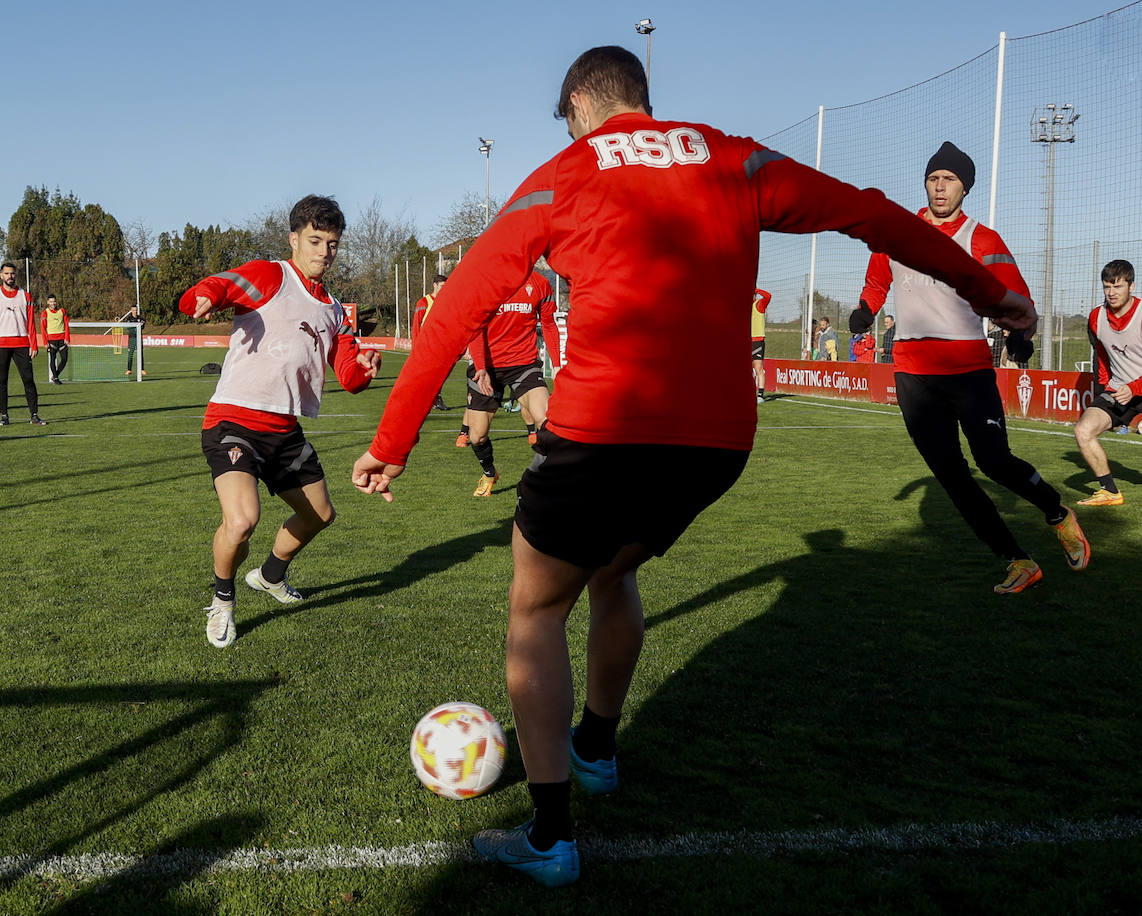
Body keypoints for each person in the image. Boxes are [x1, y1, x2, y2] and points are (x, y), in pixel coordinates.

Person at [351, 46, 1037, 887]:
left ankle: (549, 838)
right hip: (715, 442)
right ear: (647, 98)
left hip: (603, 426)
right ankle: (597, 750)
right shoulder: (733, 155)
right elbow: (871, 214)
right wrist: (992, 291)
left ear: (578, 105)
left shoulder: (564, 171)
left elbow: (459, 306)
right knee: (611, 570)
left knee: (535, 608)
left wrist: (391, 443)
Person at [852, 140, 1088, 594]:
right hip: (912, 373)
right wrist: (866, 308)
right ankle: (1018, 560)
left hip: (967, 369)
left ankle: (1057, 512)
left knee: (994, 462)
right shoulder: (898, 231)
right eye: (933, 179)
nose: (940, 187)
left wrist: (1021, 335)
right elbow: (879, 275)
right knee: (951, 474)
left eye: (950, 180)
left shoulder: (982, 239)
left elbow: (1013, 293)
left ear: (965, 189)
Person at [179, 194, 381, 649]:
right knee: (242, 520)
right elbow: (216, 285)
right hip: (233, 421)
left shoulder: (334, 312)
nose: (324, 252)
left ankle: (270, 576)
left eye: (332, 244)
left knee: (320, 515)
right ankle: (223, 602)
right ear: (294, 239)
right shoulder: (271, 275)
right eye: (315, 240)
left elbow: (348, 377)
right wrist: (207, 297)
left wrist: (365, 367)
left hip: (285, 431)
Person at [461, 268, 562, 496]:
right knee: (477, 436)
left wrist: (556, 365)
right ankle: (489, 473)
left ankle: (543, 478)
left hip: (524, 365)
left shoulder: (539, 283)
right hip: (487, 368)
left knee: (547, 419)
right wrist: (480, 366)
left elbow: (548, 324)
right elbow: (476, 327)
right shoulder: (485, 282)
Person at [1073, 258, 1142, 506]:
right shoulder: (1096, 316)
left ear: (1131, 286)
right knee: (1083, 430)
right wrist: (1105, 386)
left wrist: (1134, 388)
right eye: (1106, 287)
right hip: (1119, 388)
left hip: (1136, 387)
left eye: (1118, 286)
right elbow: (1102, 353)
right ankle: (1109, 491)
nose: (1111, 293)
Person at [0, 262, 46, 427]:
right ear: (1, 275)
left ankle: (34, 415)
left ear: (16, 275)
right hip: (1, 345)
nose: (10, 276)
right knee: (1, 382)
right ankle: (4, 416)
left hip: (22, 343)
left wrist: (34, 344)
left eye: (13, 274)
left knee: (28, 380)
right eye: (7, 273)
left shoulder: (26, 296)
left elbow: (31, 322)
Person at [412, 274, 450, 411]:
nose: (444, 289)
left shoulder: (447, 302)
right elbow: (416, 325)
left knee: (440, 375)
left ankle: (436, 398)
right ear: (434, 285)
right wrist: (416, 346)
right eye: (442, 286)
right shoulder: (423, 302)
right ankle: (421, 399)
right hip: (426, 347)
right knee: (424, 376)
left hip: (441, 346)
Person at [39, 295, 70, 384]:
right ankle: (56, 378)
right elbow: (43, 328)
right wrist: (45, 342)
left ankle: (55, 375)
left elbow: (66, 325)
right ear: (48, 302)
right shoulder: (45, 313)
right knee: (53, 359)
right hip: (51, 340)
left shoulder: (62, 311)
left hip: (62, 339)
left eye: (54, 301)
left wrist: (67, 338)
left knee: (64, 359)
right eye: (51, 302)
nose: (53, 303)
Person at [751, 288, 770, 402]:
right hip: (746, 340)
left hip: (757, 340)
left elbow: (768, 296)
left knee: (758, 368)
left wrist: (756, 290)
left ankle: (760, 395)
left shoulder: (759, 304)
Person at [125, 303, 145, 377]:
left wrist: (139, 326)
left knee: (141, 353)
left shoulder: (140, 318)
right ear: (131, 311)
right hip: (132, 338)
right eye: (133, 310)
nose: (135, 312)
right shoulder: (128, 319)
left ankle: (142, 369)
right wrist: (136, 328)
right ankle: (129, 369)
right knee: (130, 354)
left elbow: (143, 325)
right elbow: (129, 328)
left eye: (136, 310)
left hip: (139, 338)